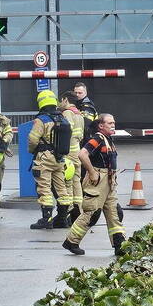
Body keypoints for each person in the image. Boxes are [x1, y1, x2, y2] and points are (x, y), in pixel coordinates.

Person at [63, 113, 126, 256]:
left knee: (114, 213)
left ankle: (119, 245)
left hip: (109, 182)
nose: (113, 125)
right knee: (92, 213)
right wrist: (92, 172)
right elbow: (82, 154)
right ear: (101, 125)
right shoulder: (97, 138)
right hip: (98, 181)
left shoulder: (108, 139)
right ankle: (71, 242)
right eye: (109, 123)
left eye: (113, 123)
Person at [27, 90, 72, 229]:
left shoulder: (42, 120)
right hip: (59, 158)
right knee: (61, 189)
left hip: (44, 158)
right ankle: (63, 219)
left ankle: (46, 219)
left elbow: (33, 139)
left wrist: (32, 150)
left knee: (44, 187)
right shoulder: (63, 118)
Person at [58, 91, 85, 224]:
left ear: (65, 100)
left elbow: (65, 133)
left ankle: (68, 213)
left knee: (67, 182)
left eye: (60, 101)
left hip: (68, 154)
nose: (59, 103)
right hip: (77, 153)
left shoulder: (67, 113)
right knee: (76, 182)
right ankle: (78, 210)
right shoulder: (79, 114)